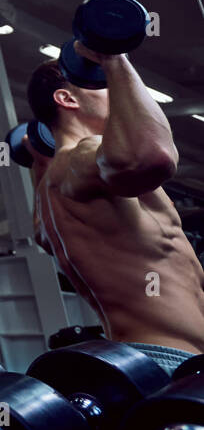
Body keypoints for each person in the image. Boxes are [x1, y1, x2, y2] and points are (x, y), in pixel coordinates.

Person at [25, 43, 204, 375]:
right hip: (173, 365)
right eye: (100, 84)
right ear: (67, 99)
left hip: (144, 362)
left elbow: (40, 234)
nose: (115, 92)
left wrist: (37, 159)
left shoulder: (50, 193)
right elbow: (153, 157)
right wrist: (113, 57)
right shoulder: (82, 156)